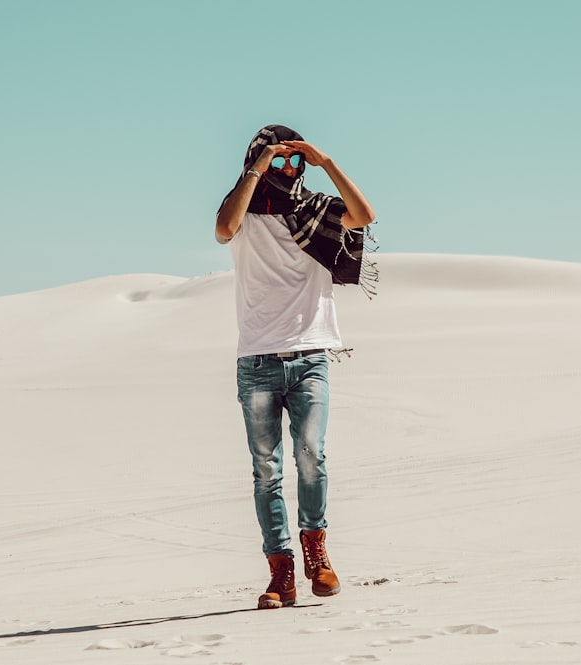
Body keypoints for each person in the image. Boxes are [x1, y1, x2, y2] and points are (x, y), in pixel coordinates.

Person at [215, 125, 376, 609]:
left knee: (311, 455)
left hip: (311, 355)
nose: (288, 168)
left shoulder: (317, 211)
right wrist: (256, 169)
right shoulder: (241, 211)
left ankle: (316, 553)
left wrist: (325, 161)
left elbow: (364, 215)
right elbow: (223, 228)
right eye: (277, 159)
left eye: (294, 161)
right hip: (258, 360)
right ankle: (280, 571)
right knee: (266, 471)